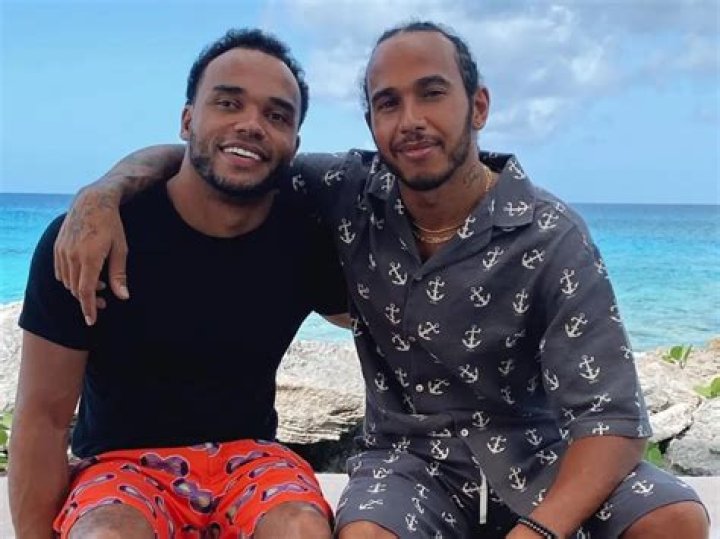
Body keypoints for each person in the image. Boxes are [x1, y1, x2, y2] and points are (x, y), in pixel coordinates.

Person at [52, 21, 710, 539]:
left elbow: (612, 417)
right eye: (387, 103)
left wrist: (538, 531)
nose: (410, 119)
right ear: (371, 124)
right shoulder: (345, 191)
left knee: (675, 520)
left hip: (537, 451)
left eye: (432, 93)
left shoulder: (550, 233)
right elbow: (227, 154)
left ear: (478, 105)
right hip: (408, 461)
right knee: (366, 534)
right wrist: (103, 192)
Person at [10, 28, 350, 539]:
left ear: (294, 145)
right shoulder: (92, 239)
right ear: (188, 120)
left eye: (277, 116)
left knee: (300, 528)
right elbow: (44, 417)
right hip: (121, 465)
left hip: (252, 459)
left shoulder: (304, 238)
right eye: (228, 103)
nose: (251, 124)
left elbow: (387, 321)